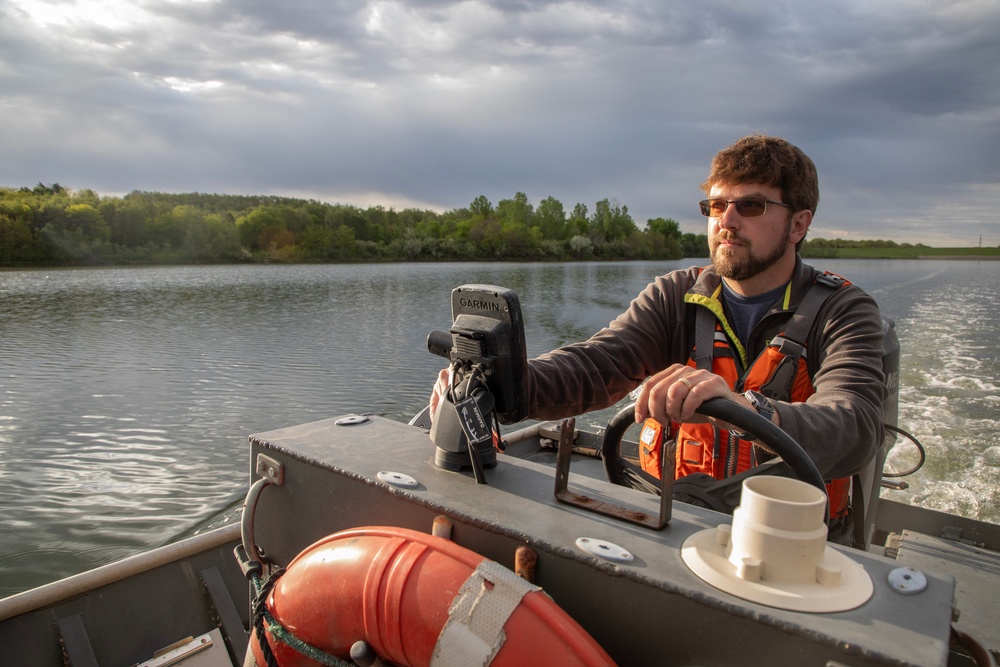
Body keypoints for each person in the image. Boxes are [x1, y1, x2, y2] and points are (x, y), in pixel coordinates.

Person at [430, 134, 886, 541]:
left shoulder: (843, 310)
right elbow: (597, 365)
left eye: (750, 206)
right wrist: (499, 381)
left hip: (790, 541)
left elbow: (857, 424)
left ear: (799, 225)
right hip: (672, 523)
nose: (726, 221)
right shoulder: (676, 295)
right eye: (715, 206)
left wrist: (747, 409)